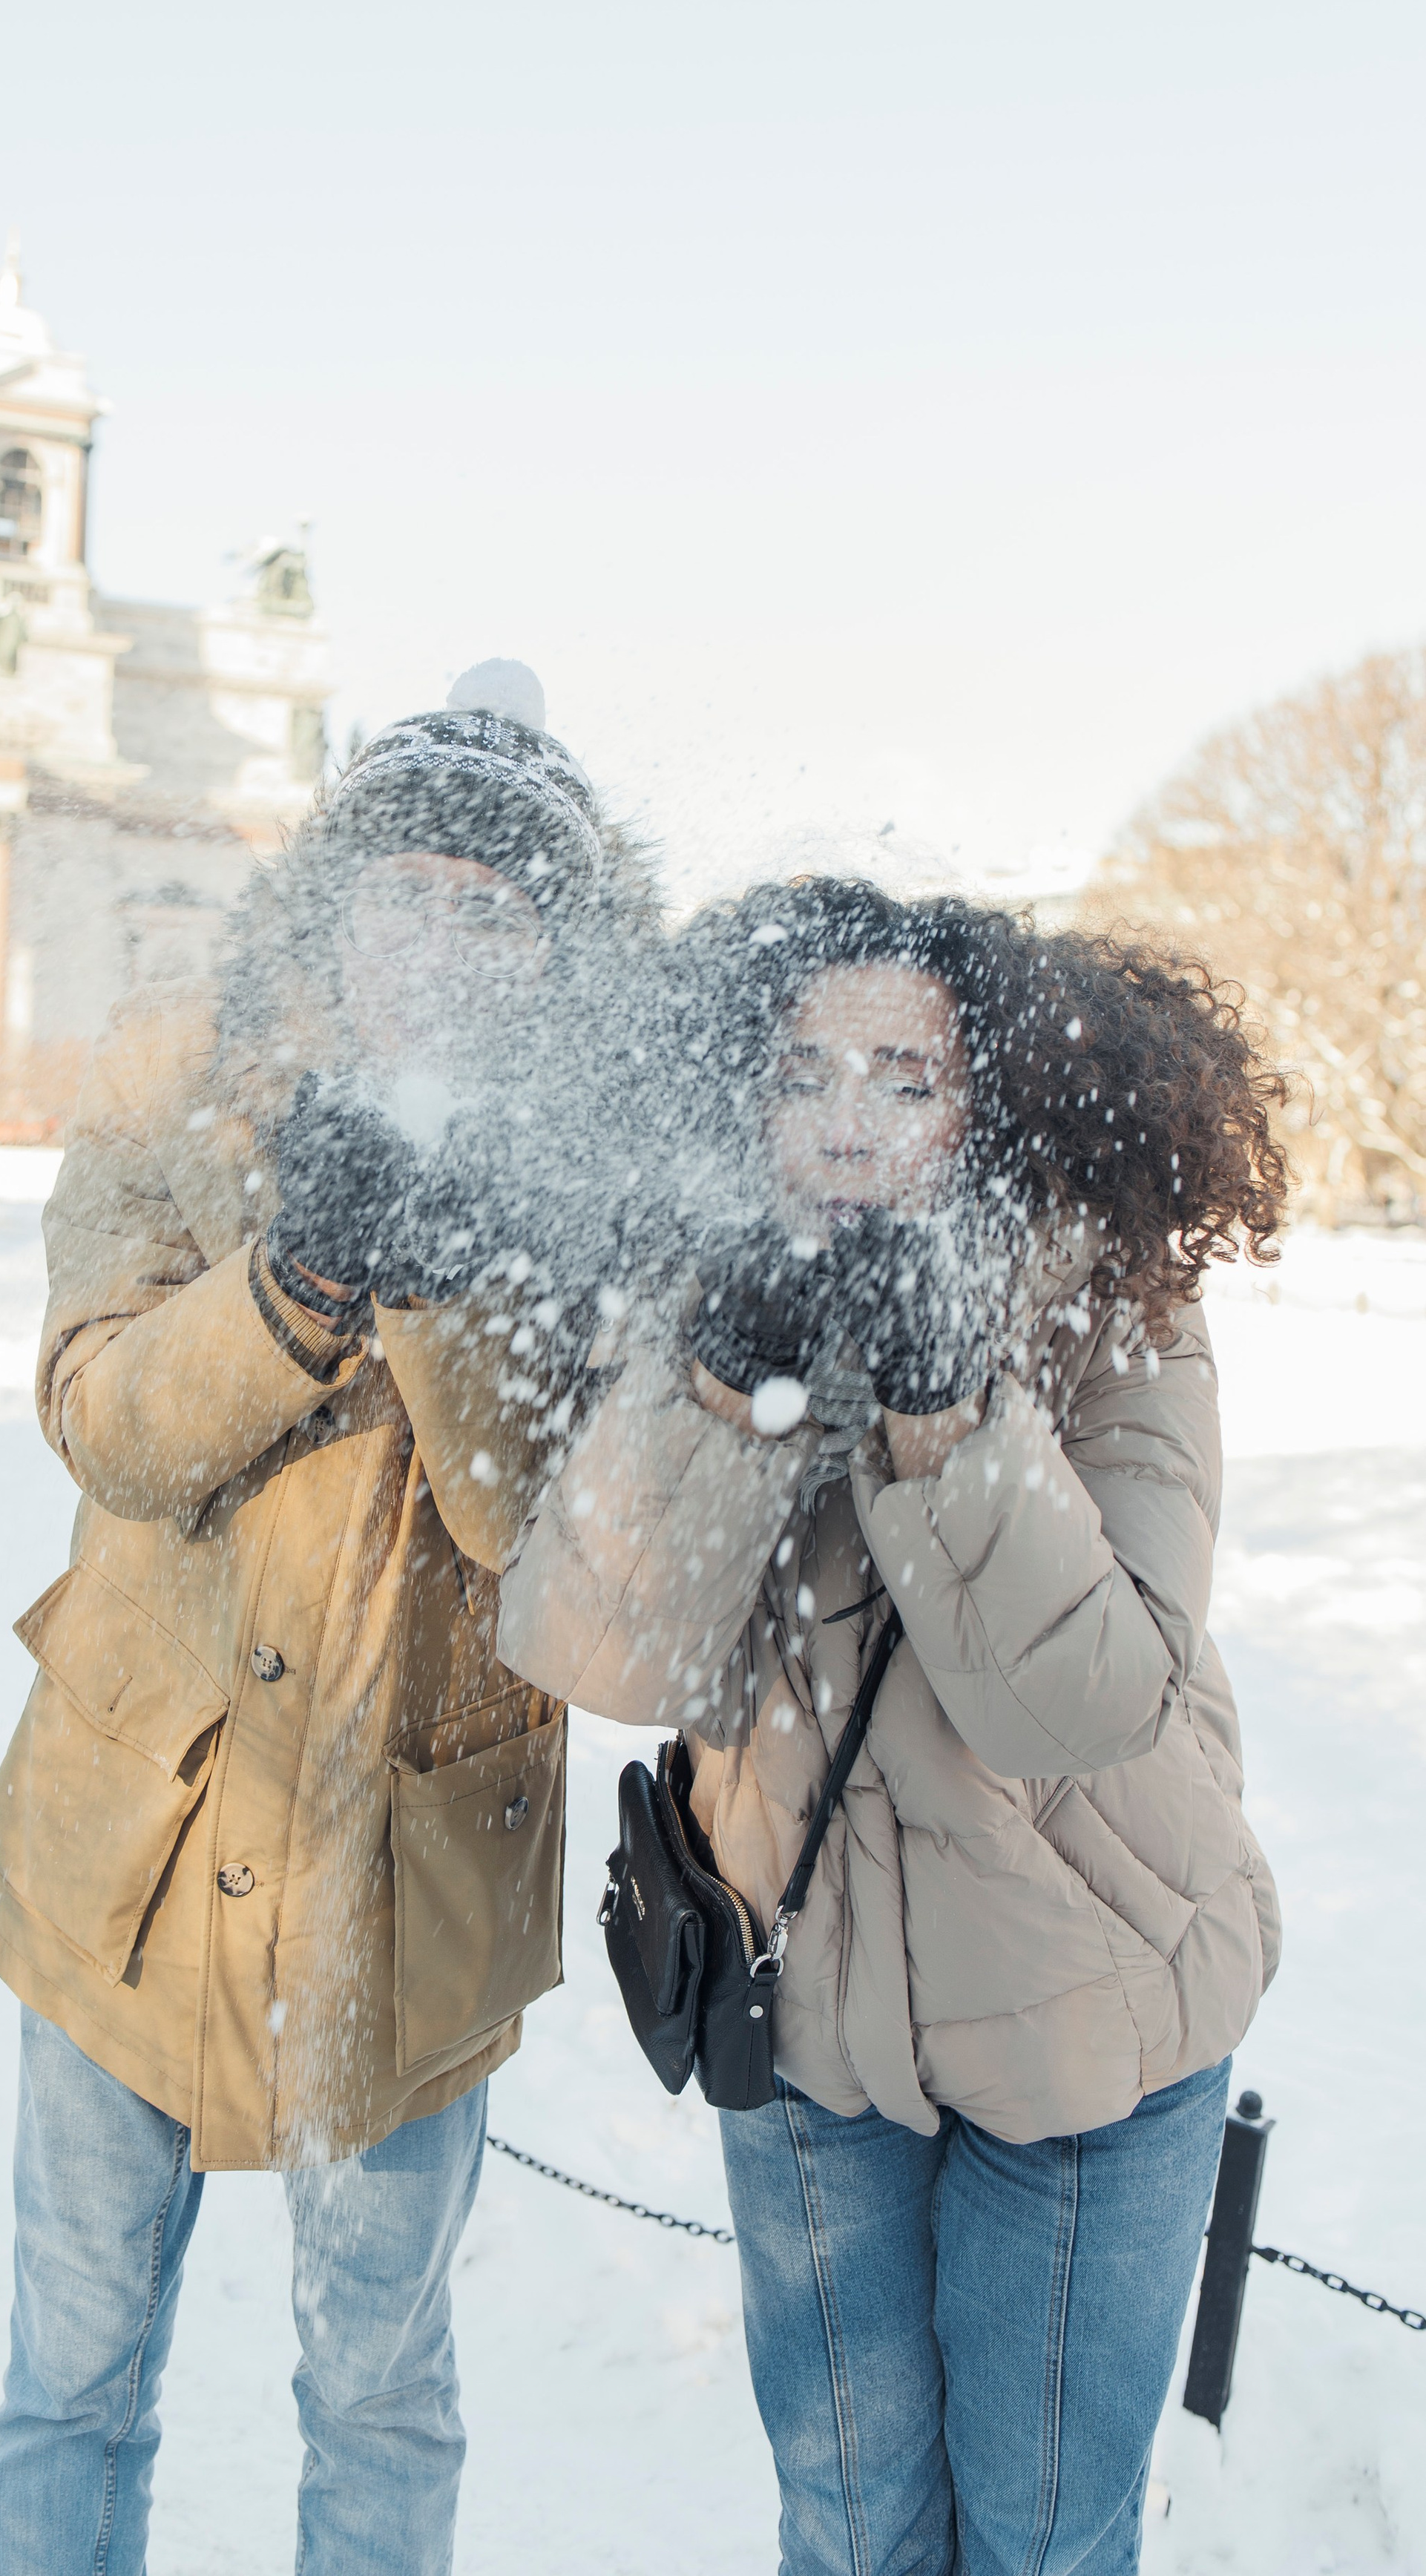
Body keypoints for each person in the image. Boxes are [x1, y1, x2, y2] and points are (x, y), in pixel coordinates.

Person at [497, 874, 1287, 2576]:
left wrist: (946, 1415)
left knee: (1038, 2543)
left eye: (906, 1079)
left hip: (1094, 2020)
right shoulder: (689, 1273)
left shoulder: (1109, 1295)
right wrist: (718, 1394)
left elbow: (1083, 1698)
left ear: (986, 1096)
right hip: (805, 2033)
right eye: (803, 1074)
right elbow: (592, 1644)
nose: (848, 1120)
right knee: (846, 2530)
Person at [0, 663, 647, 2576]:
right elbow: (101, 1424)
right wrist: (294, 1280)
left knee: (376, 2398)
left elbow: (554, 1545)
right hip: (136, 1843)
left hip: (404, 1898)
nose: (438, 938)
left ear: (550, 946)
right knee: (73, 2376)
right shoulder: (174, 1068)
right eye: (405, 890)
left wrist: (435, 1287)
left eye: (490, 908)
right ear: (337, 896)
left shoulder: (599, 1167)